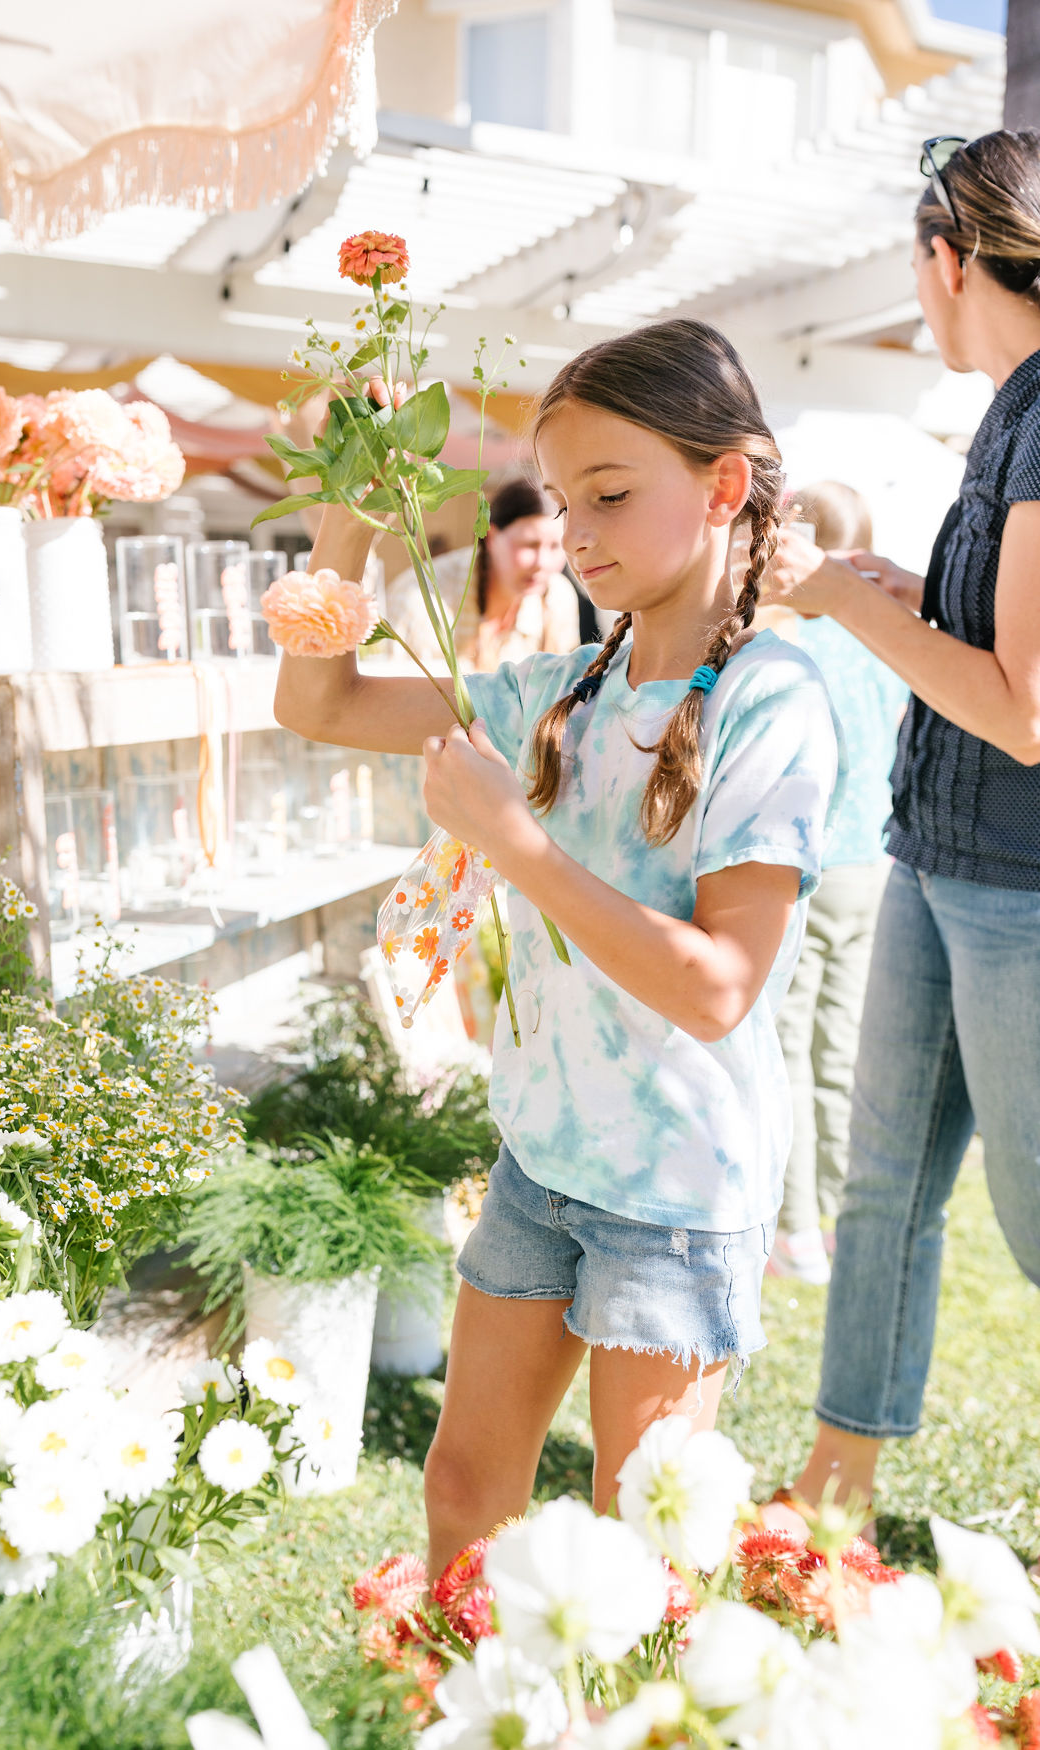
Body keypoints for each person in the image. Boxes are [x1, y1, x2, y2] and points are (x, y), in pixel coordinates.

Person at [275, 319, 844, 1573]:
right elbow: (313, 700)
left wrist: (517, 843)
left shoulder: (774, 701)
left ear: (724, 486)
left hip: (678, 1197)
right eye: (564, 498)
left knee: (641, 1547)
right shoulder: (552, 691)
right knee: (465, 1487)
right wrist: (355, 507)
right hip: (544, 1156)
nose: (577, 533)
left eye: (612, 494)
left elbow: (719, 990)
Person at [760, 130, 1040, 1534]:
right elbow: (997, 630)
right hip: (933, 857)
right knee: (879, 1187)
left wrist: (841, 597)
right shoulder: (1005, 407)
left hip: (1015, 886)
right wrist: (905, 584)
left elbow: (1024, 705)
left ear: (945, 261)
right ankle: (832, 1489)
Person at [764, 483, 907, 1284]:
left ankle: (794, 1230)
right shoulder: (887, 642)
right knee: (840, 1052)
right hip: (872, 867)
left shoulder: (793, 648)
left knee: (787, 1047)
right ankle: (842, 1221)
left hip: (811, 866)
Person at [384, 476, 586, 671]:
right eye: (529, 546)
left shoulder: (559, 596)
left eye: (555, 546)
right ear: (491, 537)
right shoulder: (422, 598)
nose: (542, 563)